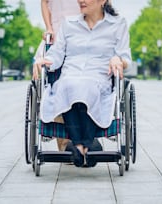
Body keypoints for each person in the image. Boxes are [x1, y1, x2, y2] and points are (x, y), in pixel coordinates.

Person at [33, 0, 131, 167]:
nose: (80, 0)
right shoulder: (69, 24)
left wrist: (118, 59)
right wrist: (45, 60)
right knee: (67, 85)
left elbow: (126, 58)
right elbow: (57, 55)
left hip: (99, 78)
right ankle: (83, 145)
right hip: (69, 76)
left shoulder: (117, 24)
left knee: (87, 86)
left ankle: (80, 145)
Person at [35, 0, 80, 151]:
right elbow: (44, 2)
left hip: (85, 34)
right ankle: (65, 144)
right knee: (57, 84)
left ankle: (85, 139)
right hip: (57, 34)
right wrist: (48, 27)